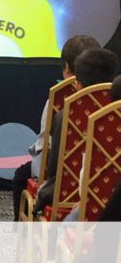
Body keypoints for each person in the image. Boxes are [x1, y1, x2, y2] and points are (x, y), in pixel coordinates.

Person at [12, 34, 100, 220]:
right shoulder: (114, 98)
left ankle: (21, 232)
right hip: (101, 182)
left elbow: (45, 148)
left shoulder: (58, 100)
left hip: (60, 183)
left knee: (22, 175)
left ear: (66, 68)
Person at [34, 47, 119, 214]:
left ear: (77, 83)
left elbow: (53, 169)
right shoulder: (116, 114)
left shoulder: (64, 116)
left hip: (69, 194)